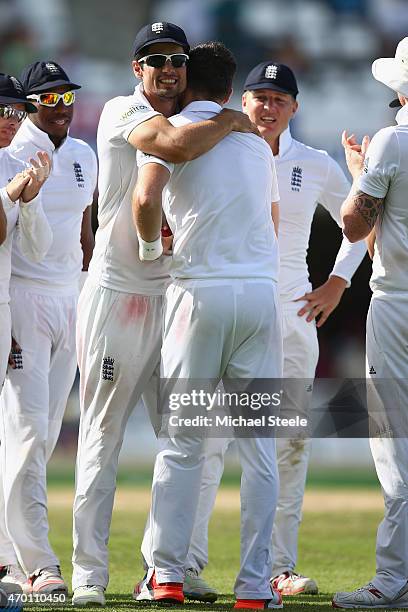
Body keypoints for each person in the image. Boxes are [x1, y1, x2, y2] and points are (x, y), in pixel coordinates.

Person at [161, 61, 367, 599]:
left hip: (290, 312)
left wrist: (337, 284)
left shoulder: (314, 163)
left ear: (295, 108)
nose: (268, 108)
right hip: (226, 301)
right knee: (204, 440)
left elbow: (360, 221)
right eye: (260, 97)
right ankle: (186, 565)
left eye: (280, 99)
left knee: (287, 444)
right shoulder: (216, 145)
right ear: (242, 101)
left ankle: (279, 565)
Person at [71, 21, 257, 608]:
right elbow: (171, 149)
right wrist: (230, 119)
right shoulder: (124, 112)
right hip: (119, 294)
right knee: (102, 436)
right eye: (154, 60)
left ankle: (172, 567)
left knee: (193, 440)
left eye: (176, 59)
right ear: (137, 69)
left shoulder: (193, 118)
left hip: (179, 296)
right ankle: (88, 575)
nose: (167, 69)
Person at [132, 41, 283, 609]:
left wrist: (151, 251)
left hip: (201, 293)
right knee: (260, 450)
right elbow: (270, 217)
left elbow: (146, 197)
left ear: (188, 79)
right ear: (231, 87)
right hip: (260, 297)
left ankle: (167, 575)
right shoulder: (254, 142)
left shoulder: (180, 131)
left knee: (183, 445)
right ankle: (253, 589)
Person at [0, 60, 97, 595]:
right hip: (22, 298)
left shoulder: (83, 155)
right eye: (49, 99)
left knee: (42, 432)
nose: (61, 108)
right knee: (27, 431)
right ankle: (36, 562)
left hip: (70, 299)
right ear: (31, 103)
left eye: (67, 98)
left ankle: (12, 558)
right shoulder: (9, 152)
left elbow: (83, 232)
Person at [333, 37, 408, 609]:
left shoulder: (393, 139)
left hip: (399, 304)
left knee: (393, 441)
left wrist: (359, 174)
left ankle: (392, 577)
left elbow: (357, 226)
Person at [0, 73, 52, 394]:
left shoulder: (17, 163)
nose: (13, 121)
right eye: (5, 110)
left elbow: (37, 250)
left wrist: (30, 200)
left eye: (19, 113)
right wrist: (7, 196)